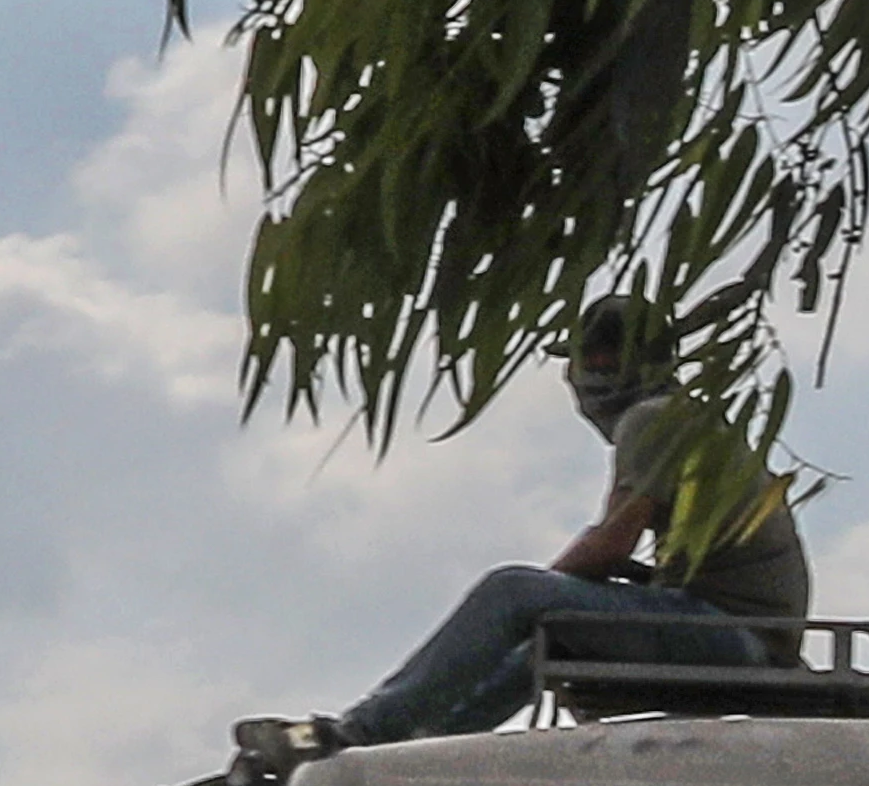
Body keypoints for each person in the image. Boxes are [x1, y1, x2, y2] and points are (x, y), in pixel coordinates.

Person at [308, 300, 814, 758]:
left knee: (510, 592)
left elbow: (610, 544)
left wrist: (534, 599)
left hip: (733, 634)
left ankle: (363, 733)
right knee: (542, 645)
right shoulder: (683, 419)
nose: (579, 380)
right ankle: (423, 751)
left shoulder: (652, 420)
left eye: (588, 363)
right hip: (737, 629)